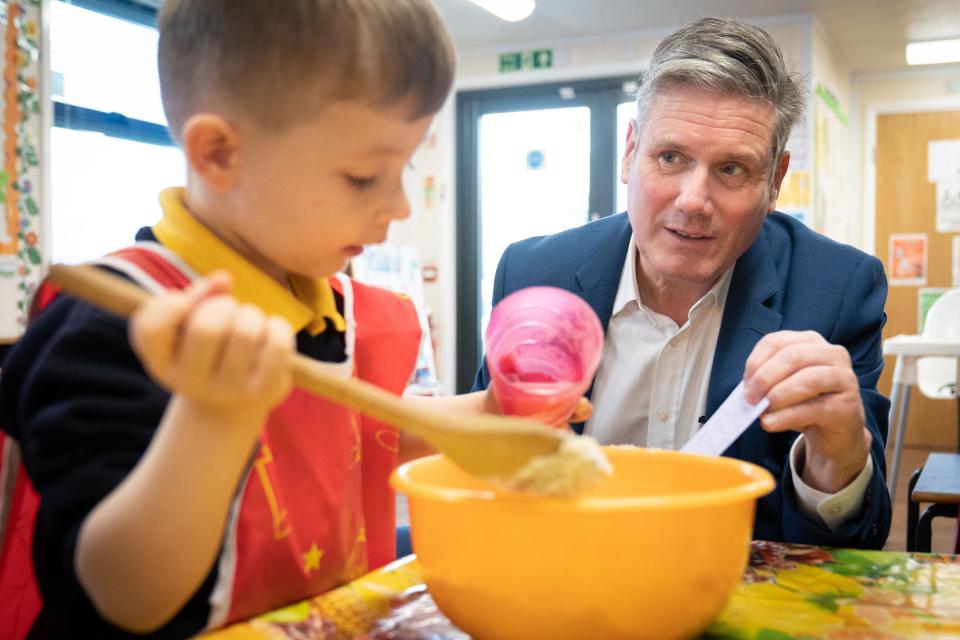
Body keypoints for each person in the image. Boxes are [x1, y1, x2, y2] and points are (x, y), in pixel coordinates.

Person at [0, 1, 467, 636]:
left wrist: (495, 412)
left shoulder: (321, 304)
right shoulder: (110, 322)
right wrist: (214, 416)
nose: (400, 206)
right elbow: (122, 593)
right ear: (219, 154)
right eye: (364, 177)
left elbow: (365, 428)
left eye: (403, 168)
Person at [474, 17, 891, 549]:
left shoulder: (835, 290)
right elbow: (479, 468)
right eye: (670, 157)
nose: (694, 200)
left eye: (733, 170)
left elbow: (856, 542)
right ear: (630, 153)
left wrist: (838, 452)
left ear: (776, 180)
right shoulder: (535, 275)